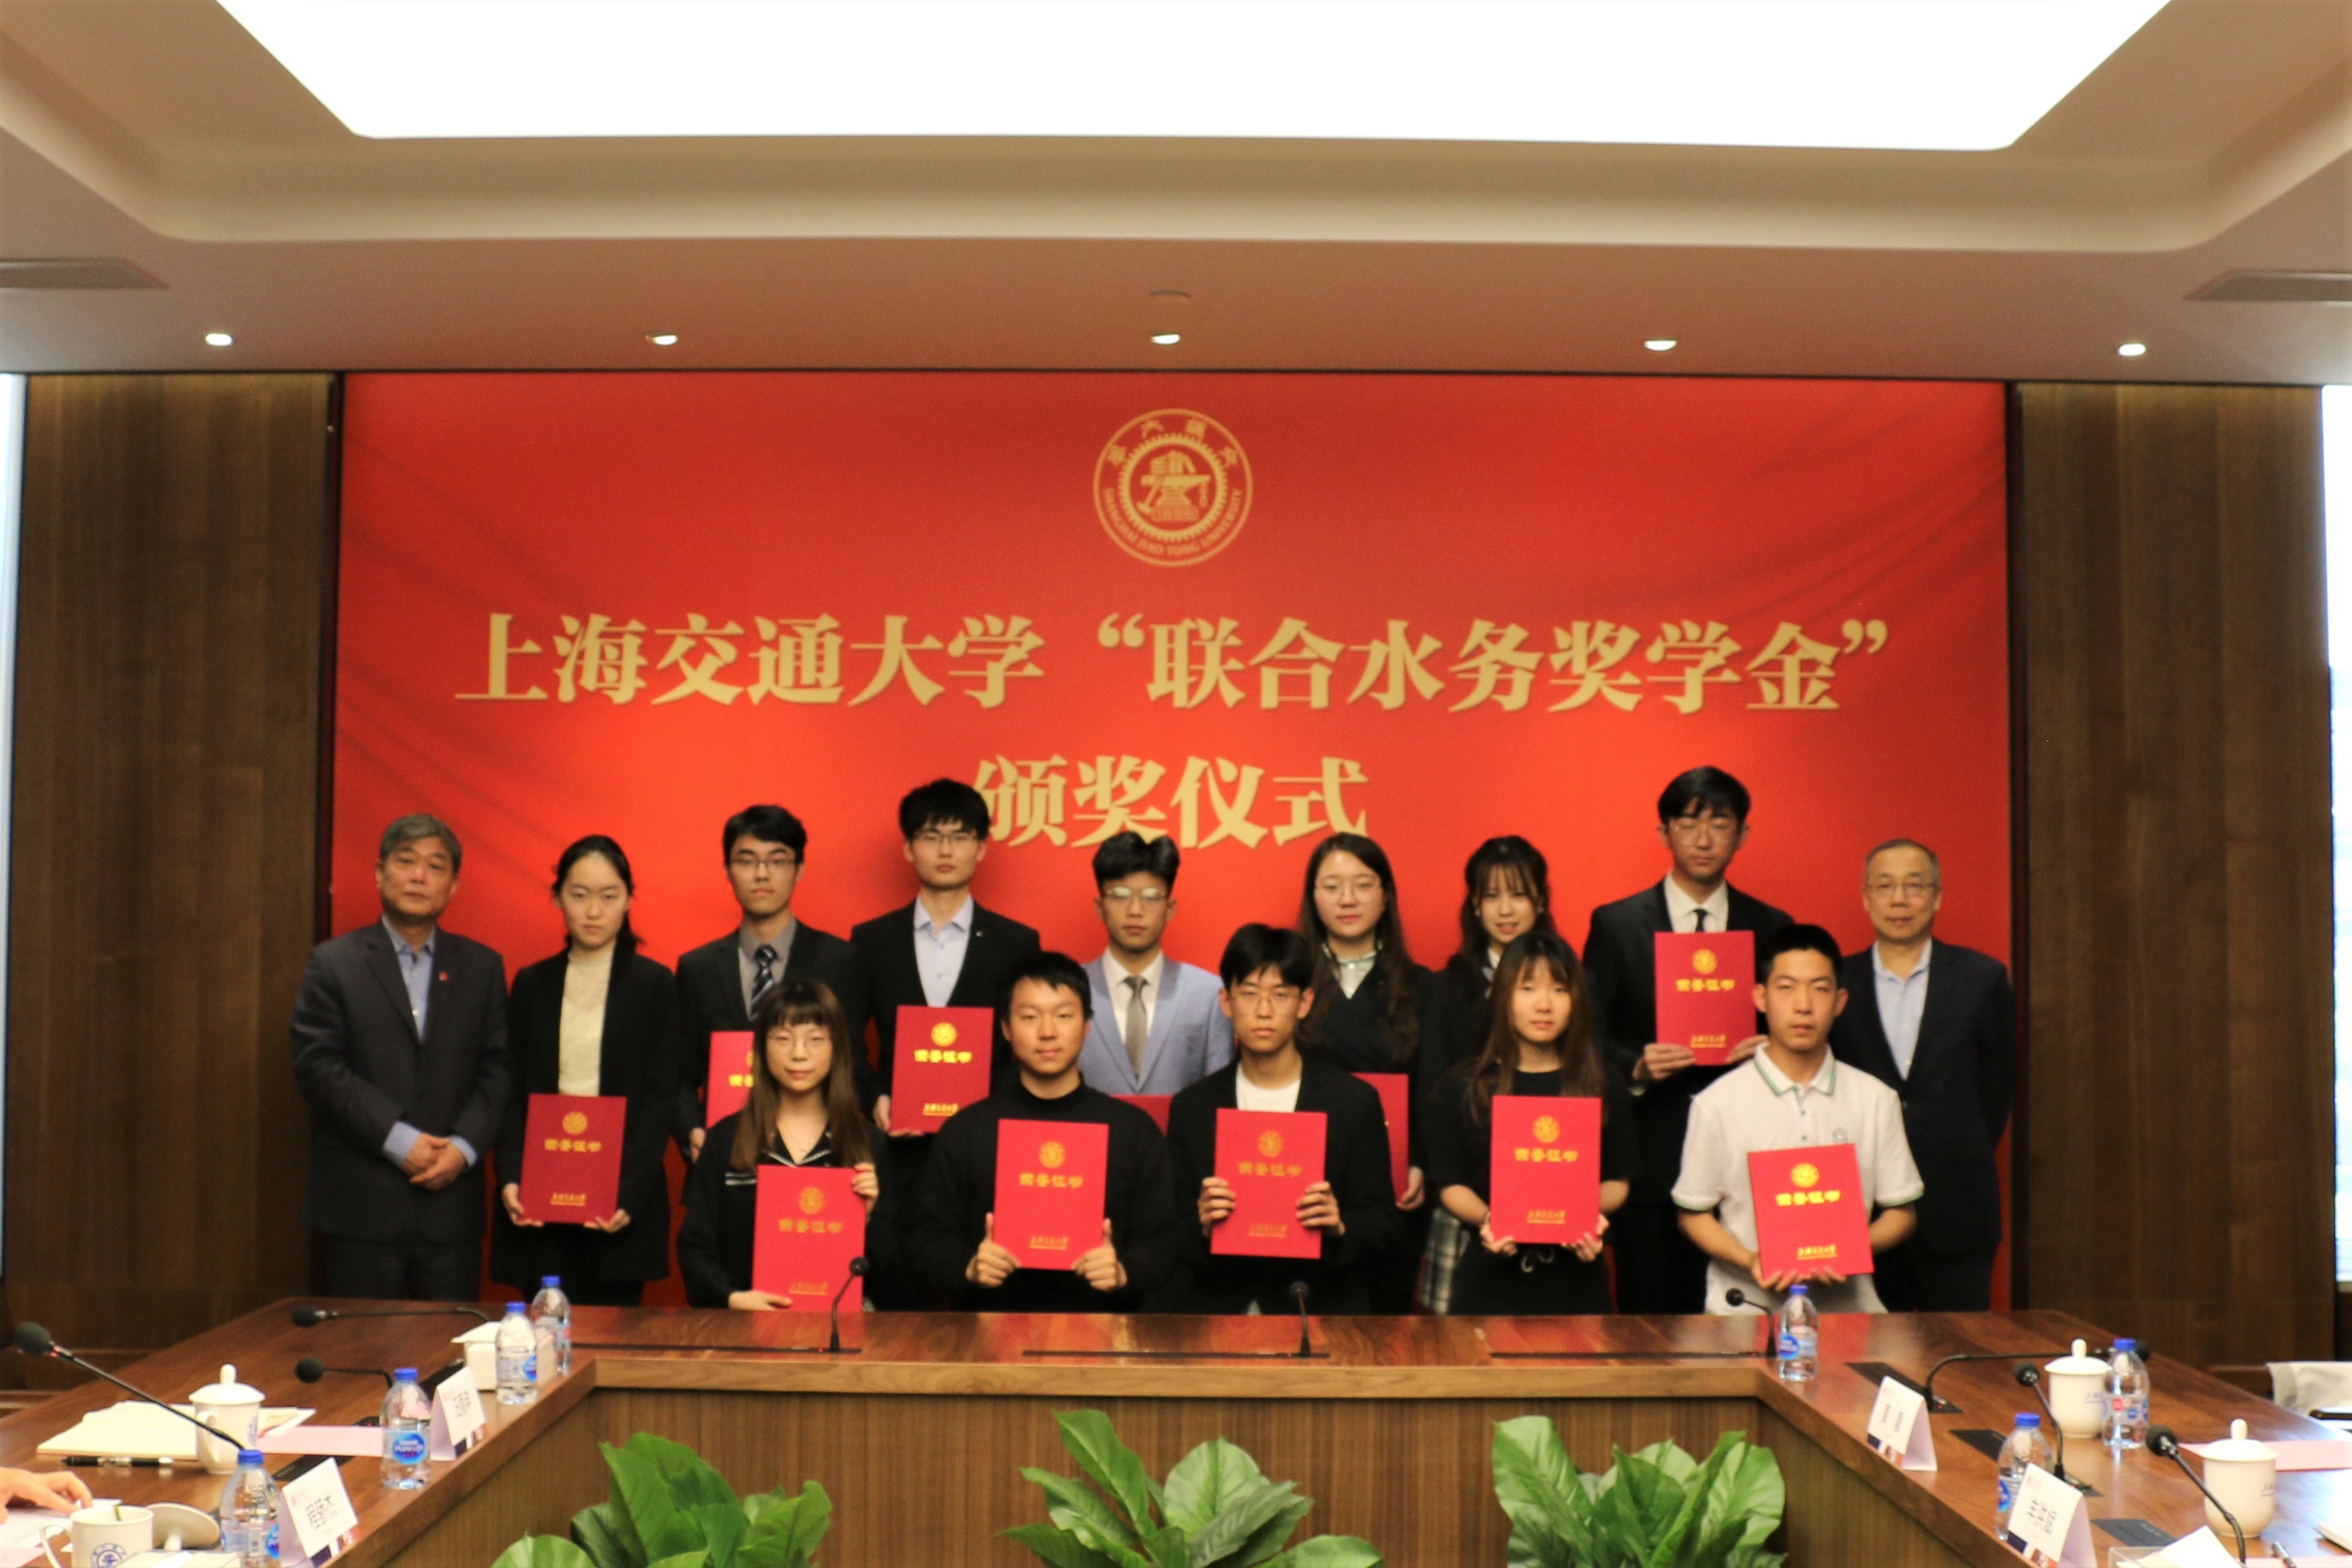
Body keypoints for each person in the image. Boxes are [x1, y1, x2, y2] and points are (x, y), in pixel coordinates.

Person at [1580, 767, 1792, 1314]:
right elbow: (1587, 1036)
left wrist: (1772, 1050)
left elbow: (1800, 1030)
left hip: (1748, 1161)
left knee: (1748, 1323)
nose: (1703, 839)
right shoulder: (1617, 924)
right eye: (1688, 823)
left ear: (1742, 835)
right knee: (1651, 1321)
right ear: (1664, 832)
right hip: (1652, 1153)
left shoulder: (1773, 925)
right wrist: (1635, 1066)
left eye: (1719, 824)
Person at [291, 814, 511, 1300]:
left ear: (453, 886)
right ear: (379, 873)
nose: (418, 876)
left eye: (435, 866)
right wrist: (397, 1139)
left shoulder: (482, 967)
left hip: (451, 1204)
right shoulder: (334, 963)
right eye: (405, 861)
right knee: (359, 1344)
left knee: (451, 1345)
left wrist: (463, 1148)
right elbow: (317, 1066)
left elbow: (499, 1071)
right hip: (361, 1204)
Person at [906, 952, 1178, 1312]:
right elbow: (925, 1238)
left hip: (1103, 1331)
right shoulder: (967, 1130)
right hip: (989, 1330)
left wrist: (1124, 1271)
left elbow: (1166, 1240)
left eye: (1063, 1016)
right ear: (1006, 1028)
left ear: (1086, 1026)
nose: (1047, 1032)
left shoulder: (1133, 1131)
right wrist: (969, 1267)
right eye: (1030, 1017)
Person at [1673, 924, 1922, 1316]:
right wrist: (1749, 1259)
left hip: (1850, 1314)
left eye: (1820, 989)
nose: (1803, 1005)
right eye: (1787, 988)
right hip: (1743, 1312)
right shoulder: (1717, 1102)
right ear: (1761, 997)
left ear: (1839, 1001)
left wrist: (1849, 1252)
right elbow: (1693, 1213)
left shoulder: (1875, 1098)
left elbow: (1901, 1214)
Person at [1164, 925, 1398, 1314]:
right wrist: (1202, 1225)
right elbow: (1168, 1231)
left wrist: (1339, 1224)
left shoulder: (1353, 1102)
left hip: (1318, 1306)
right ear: (1226, 1001)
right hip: (1222, 1307)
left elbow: (1385, 1225)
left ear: (1304, 1003)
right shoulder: (1193, 1107)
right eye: (1249, 993)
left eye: (1280, 994)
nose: (1264, 1011)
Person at [491, 835, 681, 1307]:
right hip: (542, 1193)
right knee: (544, 1331)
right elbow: (510, 1089)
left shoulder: (655, 985)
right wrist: (511, 1175)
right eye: (579, 895)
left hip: (617, 1201)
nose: (593, 911)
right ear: (558, 898)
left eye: (608, 895)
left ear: (629, 899)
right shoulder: (532, 984)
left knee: (615, 1334)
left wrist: (628, 1193)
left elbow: (660, 1097)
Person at [1831, 839, 2016, 1312]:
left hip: (1957, 1206)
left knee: (1960, 1348)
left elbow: (1997, 1089)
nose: (1899, 899)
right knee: (1866, 1350)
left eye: (1914, 886)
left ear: (1937, 897)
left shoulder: (1982, 978)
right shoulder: (1835, 983)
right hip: (1864, 1209)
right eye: (1885, 886)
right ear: (1866, 897)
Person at [1424, 932, 1634, 1315]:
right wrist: (1491, 1220)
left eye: (1559, 990)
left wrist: (1583, 1216)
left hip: (1578, 1282)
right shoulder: (1464, 1086)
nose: (1544, 1004)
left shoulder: (1602, 1081)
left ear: (1577, 1000)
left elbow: (1617, 1181)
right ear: (1503, 997)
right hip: (1489, 1282)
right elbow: (1451, 1184)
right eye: (1528, 988)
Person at [677, 979, 895, 1309]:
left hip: (839, 1324)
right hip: (743, 1323)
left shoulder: (866, 1141)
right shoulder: (726, 1138)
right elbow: (695, 1246)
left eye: (815, 1040)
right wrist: (733, 1298)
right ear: (761, 1048)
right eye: (783, 1039)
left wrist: (867, 1219)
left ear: (837, 1047)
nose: (799, 1054)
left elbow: (894, 1270)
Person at [675, 805, 873, 1158]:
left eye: (777, 860)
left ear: (799, 870)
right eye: (747, 860)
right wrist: (692, 1130)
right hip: (722, 1154)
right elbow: (679, 1072)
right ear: (727, 870)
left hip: (811, 1159)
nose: (762, 874)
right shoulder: (697, 968)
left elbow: (851, 1064)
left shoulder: (840, 961)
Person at [1415, 835, 1557, 1310]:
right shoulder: (1445, 987)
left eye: (1519, 894)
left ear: (1541, 901)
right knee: (1459, 1337)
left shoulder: (1574, 984)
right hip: (1469, 1184)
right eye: (1492, 896)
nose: (1505, 910)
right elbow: (1432, 1085)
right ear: (1474, 905)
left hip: (1553, 1176)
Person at [851, 778, 1041, 1131]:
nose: (945, 851)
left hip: (987, 1132)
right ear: (909, 848)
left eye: (959, 837)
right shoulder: (872, 941)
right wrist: (874, 1097)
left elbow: (1029, 1041)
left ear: (980, 848)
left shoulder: (1017, 943)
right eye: (931, 837)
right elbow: (845, 1039)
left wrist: (1000, 1105)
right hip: (897, 1133)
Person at [1296, 833, 1428, 1310]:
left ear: (1386, 894)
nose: (1347, 899)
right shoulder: (1289, 985)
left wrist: (1421, 1162)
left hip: (1395, 1182)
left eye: (1363, 884)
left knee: (1384, 1323)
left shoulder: (1424, 987)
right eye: (1332, 886)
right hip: (1305, 1180)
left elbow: (1435, 1088)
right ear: (1313, 896)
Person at [1078, 832, 1233, 1096]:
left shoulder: (1209, 995)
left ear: (1170, 908)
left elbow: (1220, 1095)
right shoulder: (1071, 990)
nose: (1135, 911)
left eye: (1151, 897)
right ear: (1100, 907)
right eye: (1120, 895)